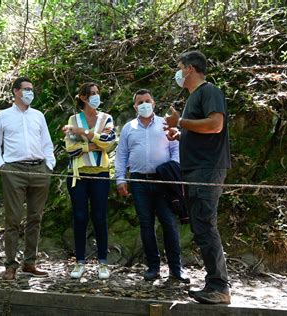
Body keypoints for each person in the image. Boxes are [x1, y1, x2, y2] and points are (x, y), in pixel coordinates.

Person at [164, 50, 231, 304]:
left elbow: (215, 125)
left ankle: (219, 287)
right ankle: (215, 284)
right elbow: (202, 133)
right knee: (201, 225)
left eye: (180, 67)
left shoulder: (209, 91)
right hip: (194, 169)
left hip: (207, 169)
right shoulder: (193, 97)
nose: (178, 73)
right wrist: (179, 135)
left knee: (205, 224)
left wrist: (180, 121)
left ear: (189, 69)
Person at [115, 89, 189, 283]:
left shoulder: (165, 124)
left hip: (163, 182)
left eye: (148, 101)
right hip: (138, 181)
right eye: (140, 102)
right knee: (146, 225)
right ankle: (153, 267)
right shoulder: (128, 128)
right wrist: (120, 179)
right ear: (135, 106)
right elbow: (122, 155)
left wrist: (174, 171)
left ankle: (176, 268)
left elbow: (175, 149)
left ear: (154, 103)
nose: (144, 104)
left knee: (169, 223)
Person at [0, 77, 55, 281]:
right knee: (13, 219)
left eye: (32, 89)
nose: (30, 93)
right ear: (16, 91)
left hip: (39, 169)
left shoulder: (38, 115)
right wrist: (2, 166)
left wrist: (49, 165)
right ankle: (10, 265)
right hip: (14, 170)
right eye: (26, 89)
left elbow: (47, 143)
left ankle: (30, 262)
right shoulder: (3, 116)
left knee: (36, 217)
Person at [62, 82, 116, 280]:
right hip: (78, 174)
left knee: (100, 217)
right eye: (91, 94)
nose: (96, 96)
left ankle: (103, 262)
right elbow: (70, 148)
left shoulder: (106, 118)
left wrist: (83, 133)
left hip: (100, 173)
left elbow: (108, 141)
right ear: (83, 98)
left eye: (97, 93)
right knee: (80, 217)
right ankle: (80, 261)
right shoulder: (73, 119)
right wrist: (91, 146)